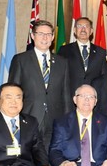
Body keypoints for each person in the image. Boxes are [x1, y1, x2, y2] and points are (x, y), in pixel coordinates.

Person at [8, 19, 72, 148]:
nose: (45, 38)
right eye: (41, 34)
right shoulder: (21, 60)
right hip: (28, 117)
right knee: (29, 155)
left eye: (48, 34)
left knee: (51, 156)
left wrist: (67, 121)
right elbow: (13, 92)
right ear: (33, 36)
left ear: (53, 37)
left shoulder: (62, 62)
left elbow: (66, 94)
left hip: (55, 119)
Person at [58, 17, 107, 94]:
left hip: (93, 96)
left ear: (91, 31)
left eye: (86, 26)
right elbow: (59, 76)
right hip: (71, 95)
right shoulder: (64, 50)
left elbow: (104, 77)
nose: (83, 29)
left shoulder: (101, 52)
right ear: (74, 30)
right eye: (79, 26)